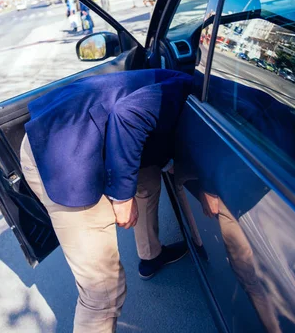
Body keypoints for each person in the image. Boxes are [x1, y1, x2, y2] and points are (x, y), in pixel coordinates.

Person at [20, 69, 193, 332]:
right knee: (102, 293)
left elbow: (148, 136)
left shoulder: (178, 82)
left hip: (66, 138)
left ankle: (151, 255)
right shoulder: (184, 93)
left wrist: (168, 164)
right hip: (63, 164)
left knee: (147, 179)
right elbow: (128, 116)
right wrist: (122, 197)